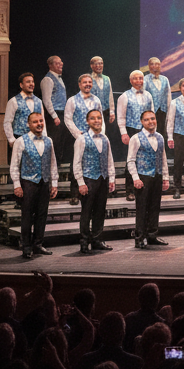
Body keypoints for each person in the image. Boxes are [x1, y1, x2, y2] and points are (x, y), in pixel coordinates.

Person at [9, 111, 57, 259]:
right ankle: (26, 247)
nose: (39, 124)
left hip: (44, 182)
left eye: (41, 121)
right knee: (27, 216)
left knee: (42, 215)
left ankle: (38, 245)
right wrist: (17, 185)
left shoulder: (49, 141)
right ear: (29, 124)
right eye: (35, 122)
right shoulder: (21, 141)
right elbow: (14, 165)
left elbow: (53, 163)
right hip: (28, 182)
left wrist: (54, 183)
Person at [126, 108, 170, 250]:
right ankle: (139, 237)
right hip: (143, 176)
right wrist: (135, 178)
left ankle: (152, 235)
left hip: (156, 175)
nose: (150, 121)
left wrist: (165, 177)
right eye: (147, 119)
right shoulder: (136, 138)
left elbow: (163, 158)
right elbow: (130, 160)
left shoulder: (160, 137)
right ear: (141, 122)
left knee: (154, 207)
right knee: (142, 208)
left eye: (152, 118)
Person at [73, 107, 114, 254]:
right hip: (89, 179)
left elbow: (109, 159)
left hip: (103, 178)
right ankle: (84, 241)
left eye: (99, 118)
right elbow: (76, 162)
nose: (96, 120)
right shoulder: (82, 139)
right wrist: (80, 182)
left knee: (100, 211)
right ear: (87, 121)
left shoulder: (105, 138)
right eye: (93, 118)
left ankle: (97, 240)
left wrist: (111, 177)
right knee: (86, 212)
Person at [64, 74, 104, 204]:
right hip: (78, 137)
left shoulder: (96, 100)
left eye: (89, 82)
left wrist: (101, 134)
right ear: (79, 84)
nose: (87, 84)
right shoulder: (72, 100)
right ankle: (75, 194)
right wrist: (78, 135)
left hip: (95, 137)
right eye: (85, 82)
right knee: (76, 164)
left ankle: (94, 193)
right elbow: (68, 119)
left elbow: (101, 118)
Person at [117, 70, 154, 201]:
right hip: (131, 130)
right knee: (131, 160)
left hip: (146, 130)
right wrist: (123, 133)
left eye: (141, 78)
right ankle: (130, 190)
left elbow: (152, 113)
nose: (139, 81)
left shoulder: (148, 95)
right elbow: (121, 116)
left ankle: (145, 188)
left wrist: (153, 129)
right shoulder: (124, 96)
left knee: (146, 159)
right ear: (131, 80)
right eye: (136, 78)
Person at [40, 54, 71, 178]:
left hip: (62, 113)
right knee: (55, 143)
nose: (61, 64)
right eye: (58, 63)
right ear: (51, 65)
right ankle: (52, 172)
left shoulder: (59, 78)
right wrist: (54, 116)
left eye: (61, 62)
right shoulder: (48, 79)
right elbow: (47, 100)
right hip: (54, 115)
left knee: (61, 143)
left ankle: (58, 170)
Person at [2, 72, 42, 148]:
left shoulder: (39, 101)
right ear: (21, 85)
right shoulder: (13, 101)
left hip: (36, 139)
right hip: (19, 139)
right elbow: (7, 122)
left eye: (32, 82)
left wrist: (44, 138)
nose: (31, 84)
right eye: (28, 82)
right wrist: (11, 140)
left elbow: (42, 122)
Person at [144, 57, 172, 137]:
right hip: (150, 111)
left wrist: (169, 111)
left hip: (163, 111)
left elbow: (168, 96)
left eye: (157, 64)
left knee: (162, 133)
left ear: (160, 66)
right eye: (152, 64)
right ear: (149, 66)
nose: (154, 66)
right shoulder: (145, 79)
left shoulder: (165, 79)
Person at [89, 56, 115, 126]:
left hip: (106, 111)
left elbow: (110, 95)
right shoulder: (88, 79)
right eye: (96, 64)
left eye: (101, 63)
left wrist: (112, 111)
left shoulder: (107, 78)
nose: (99, 66)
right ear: (91, 66)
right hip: (93, 112)